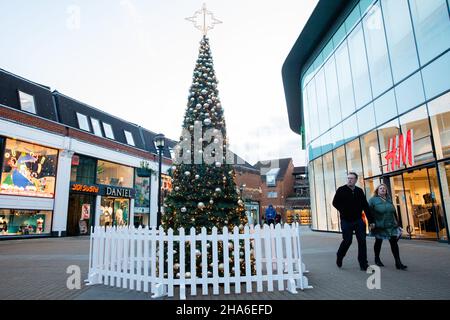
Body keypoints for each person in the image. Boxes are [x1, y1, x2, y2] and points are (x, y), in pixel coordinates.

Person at [332, 172, 375, 271]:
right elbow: (335, 202)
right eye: (348, 178)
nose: (349, 180)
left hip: (358, 220)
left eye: (351, 178)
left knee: (362, 241)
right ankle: (340, 255)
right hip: (346, 220)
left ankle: (363, 264)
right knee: (347, 241)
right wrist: (343, 210)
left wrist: (371, 220)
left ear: (356, 180)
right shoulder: (341, 190)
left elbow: (365, 206)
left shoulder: (359, 191)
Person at [369, 184, 407, 270]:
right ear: (377, 190)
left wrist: (398, 224)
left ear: (386, 191)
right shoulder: (372, 200)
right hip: (379, 225)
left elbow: (394, 212)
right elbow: (369, 212)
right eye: (380, 188)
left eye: (384, 189)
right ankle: (377, 258)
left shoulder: (389, 200)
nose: (382, 190)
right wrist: (371, 223)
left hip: (391, 225)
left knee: (394, 243)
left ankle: (398, 262)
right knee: (378, 241)